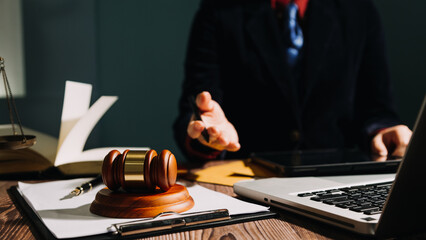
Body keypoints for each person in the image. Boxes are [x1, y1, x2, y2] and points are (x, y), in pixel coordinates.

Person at [173, 0, 412, 162]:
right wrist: (209, 135)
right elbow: (195, 111)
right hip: (248, 182)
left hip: (336, 178)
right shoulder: (218, 11)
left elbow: (377, 108)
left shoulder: (358, 10)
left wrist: (384, 131)